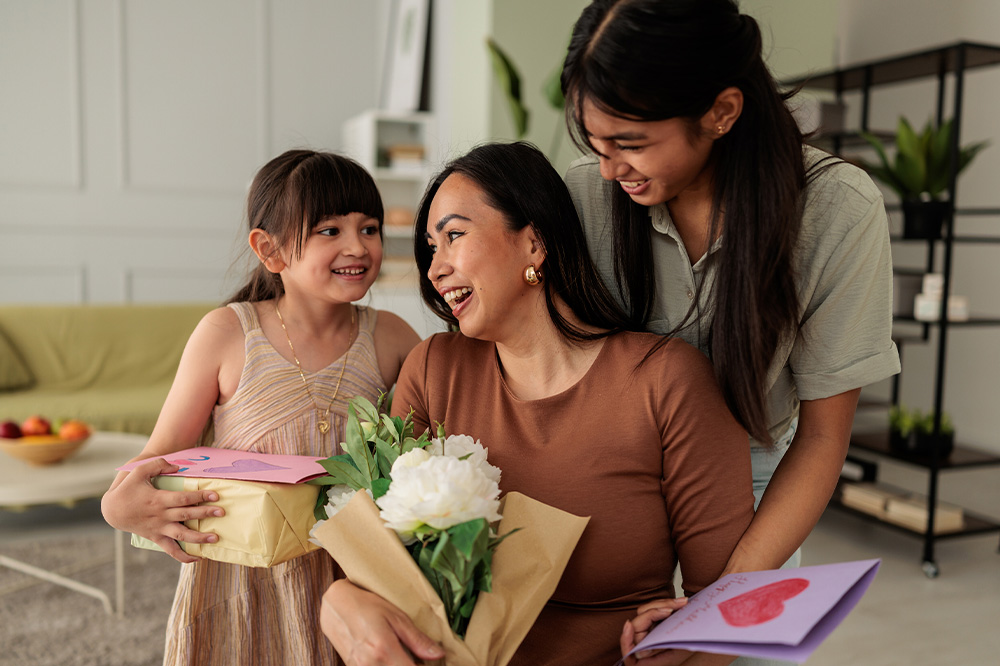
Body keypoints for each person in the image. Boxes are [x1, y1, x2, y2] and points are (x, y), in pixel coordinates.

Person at [319, 141, 755, 666]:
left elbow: (727, 608)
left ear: (535, 243)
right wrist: (338, 600)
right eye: (431, 248)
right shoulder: (435, 368)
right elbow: (369, 557)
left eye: (454, 235)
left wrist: (679, 645)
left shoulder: (666, 381)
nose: (435, 269)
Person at [562, 0, 898, 605]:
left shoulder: (836, 211)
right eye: (596, 143)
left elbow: (822, 438)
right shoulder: (582, 196)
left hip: (754, 483)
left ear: (721, 112)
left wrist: (722, 593)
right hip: (605, 473)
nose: (610, 170)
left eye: (631, 143)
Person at [101, 149, 421, 665]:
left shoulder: (393, 338)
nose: (358, 245)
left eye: (369, 228)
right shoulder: (227, 333)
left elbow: (416, 458)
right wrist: (118, 507)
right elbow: (156, 458)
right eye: (329, 231)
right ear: (270, 251)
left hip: (350, 582)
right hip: (240, 583)